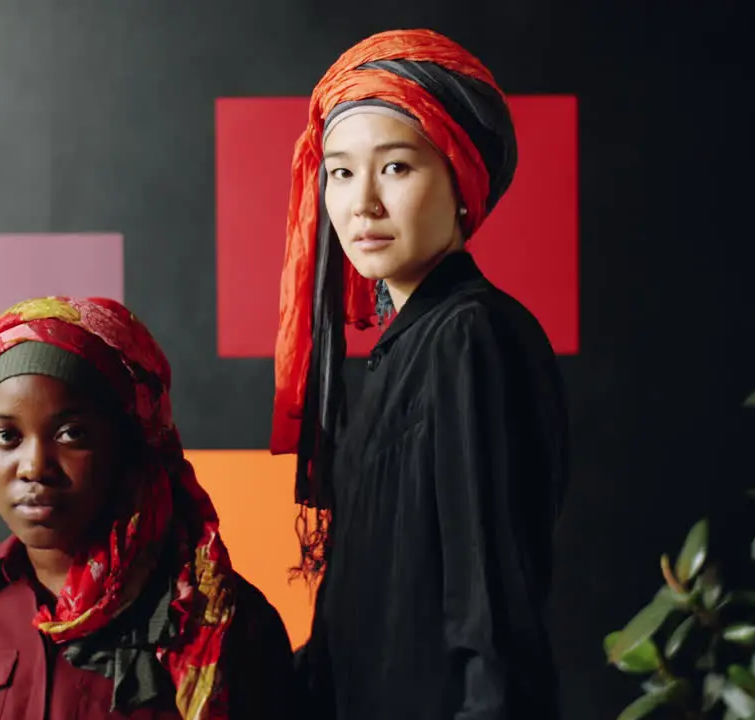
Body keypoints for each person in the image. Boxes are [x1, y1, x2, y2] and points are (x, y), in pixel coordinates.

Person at [270, 29, 570, 718]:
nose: (362, 204)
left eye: (396, 168)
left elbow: (489, 611)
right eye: (341, 172)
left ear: (462, 179)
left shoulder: (470, 337)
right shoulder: (397, 351)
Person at [0, 296, 294, 719]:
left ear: (130, 443)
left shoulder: (225, 621)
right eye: (6, 437)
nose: (33, 467)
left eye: (71, 433)